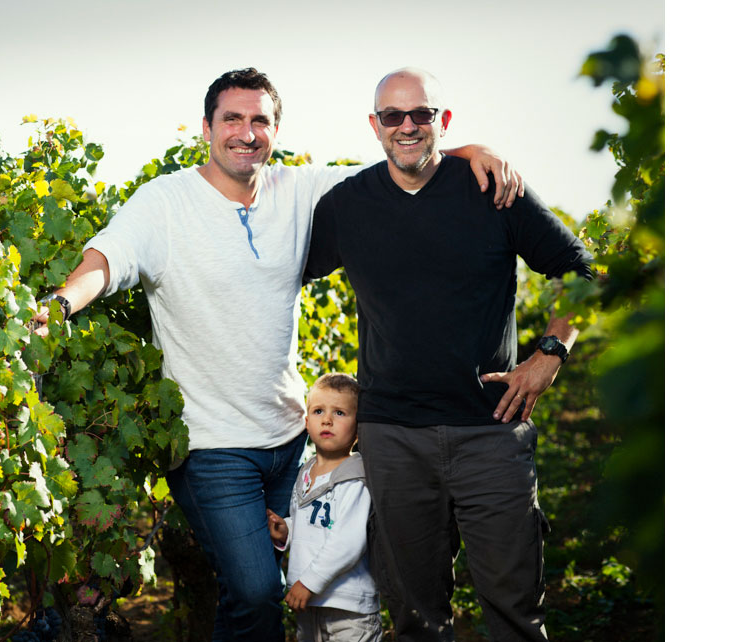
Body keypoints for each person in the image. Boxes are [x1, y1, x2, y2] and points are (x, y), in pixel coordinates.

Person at [32, 68, 523, 641]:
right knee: (256, 593)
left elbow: (403, 163)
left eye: (260, 119)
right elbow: (106, 261)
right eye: (232, 119)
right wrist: (62, 304)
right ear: (207, 129)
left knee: (295, 591)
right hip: (212, 448)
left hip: (292, 443)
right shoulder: (164, 203)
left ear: (276, 129)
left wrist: (470, 149)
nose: (247, 132)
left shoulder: (302, 189)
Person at [303, 68, 593, 642]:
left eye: (422, 115)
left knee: (514, 612)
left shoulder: (493, 189)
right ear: (375, 125)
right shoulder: (346, 206)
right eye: (394, 116)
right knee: (415, 618)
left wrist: (550, 354)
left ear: (445, 120)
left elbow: (581, 272)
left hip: (491, 432)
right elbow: (276, 275)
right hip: (393, 438)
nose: (407, 126)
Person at [266, 373, 381, 642]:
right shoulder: (305, 473)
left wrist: (308, 583)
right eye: (318, 411)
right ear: (307, 422)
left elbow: (348, 542)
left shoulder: (354, 477)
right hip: (310, 604)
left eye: (339, 412)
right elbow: (314, 524)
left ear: (358, 426)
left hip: (348, 607)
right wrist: (288, 531)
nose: (327, 419)